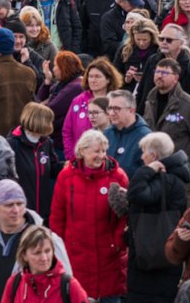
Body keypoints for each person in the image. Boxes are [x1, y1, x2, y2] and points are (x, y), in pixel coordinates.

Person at [49, 129, 129, 302]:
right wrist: (60, 246)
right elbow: (57, 215)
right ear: (82, 151)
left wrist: (117, 243)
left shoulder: (118, 177)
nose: (101, 155)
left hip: (109, 257)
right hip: (75, 255)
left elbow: (125, 217)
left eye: (103, 151)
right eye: (96, 151)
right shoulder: (66, 177)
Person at [126, 132, 190, 303]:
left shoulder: (165, 178)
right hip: (163, 254)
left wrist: (148, 170)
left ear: (153, 156)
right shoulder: (174, 178)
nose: (141, 157)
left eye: (144, 153)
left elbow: (138, 194)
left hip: (150, 254)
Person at [145, 58, 190, 202]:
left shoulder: (189, 105)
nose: (159, 75)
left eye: (164, 72)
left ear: (176, 77)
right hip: (154, 171)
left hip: (181, 175)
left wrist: (188, 158)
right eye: (157, 71)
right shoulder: (150, 99)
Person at [0, 225, 89, 303]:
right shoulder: (14, 283)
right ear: (24, 255)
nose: (44, 258)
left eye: (47, 251)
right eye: (37, 253)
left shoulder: (69, 285)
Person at [7, 102, 60, 220]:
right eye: (48, 121)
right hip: (22, 209)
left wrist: (67, 165)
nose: (51, 125)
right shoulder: (13, 143)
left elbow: (52, 169)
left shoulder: (46, 142)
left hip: (44, 209)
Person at [104, 89, 154, 179]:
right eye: (109, 108)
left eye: (116, 109)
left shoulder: (146, 137)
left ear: (131, 110)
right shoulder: (106, 133)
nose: (111, 113)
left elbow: (149, 174)